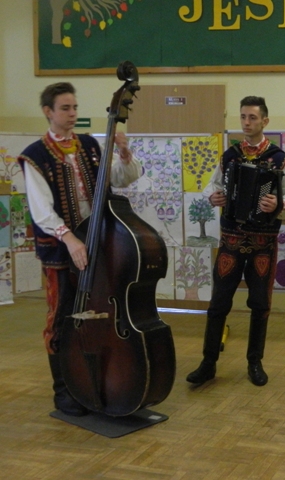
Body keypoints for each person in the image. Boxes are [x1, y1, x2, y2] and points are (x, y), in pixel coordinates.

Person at [18, 82, 142, 416]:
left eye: (74, 107)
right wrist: (70, 239)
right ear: (48, 111)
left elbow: (118, 178)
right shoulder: (35, 155)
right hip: (61, 252)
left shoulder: (89, 145)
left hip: (98, 243)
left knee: (100, 313)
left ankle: (96, 380)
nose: (72, 114)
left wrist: (124, 154)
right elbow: (41, 211)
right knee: (62, 316)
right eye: (65, 108)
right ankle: (64, 391)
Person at [187, 96, 285, 387]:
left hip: (263, 243)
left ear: (265, 121)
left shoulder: (278, 158)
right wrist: (213, 197)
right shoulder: (230, 156)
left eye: (252, 117)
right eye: (243, 117)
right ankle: (208, 362)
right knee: (219, 301)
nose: (247, 122)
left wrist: (278, 204)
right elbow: (212, 186)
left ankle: (255, 362)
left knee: (260, 303)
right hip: (231, 240)